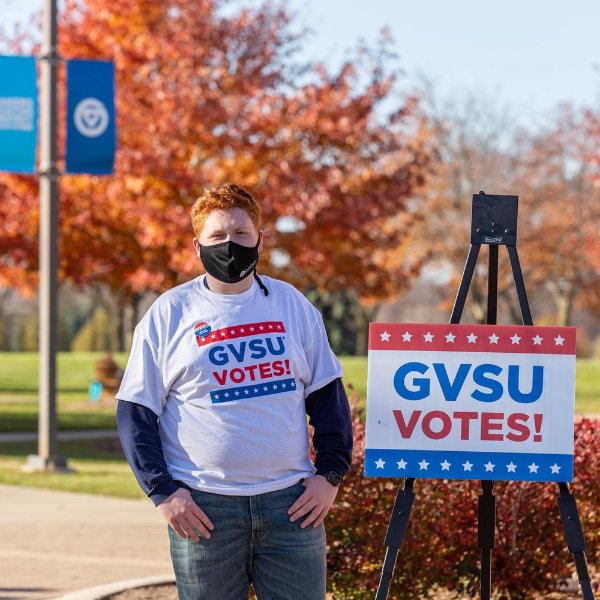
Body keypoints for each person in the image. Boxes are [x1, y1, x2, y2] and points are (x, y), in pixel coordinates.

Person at [116, 183, 353, 600]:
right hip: (204, 511)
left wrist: (330, 476)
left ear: (259, 240)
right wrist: (163, 493)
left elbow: (329, 397)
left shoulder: (292, 305)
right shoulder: (169, 314)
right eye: (218, 237)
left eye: (241, 235)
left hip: (291, 507)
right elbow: (135, 413)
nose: (231, 245)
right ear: (197, 246)